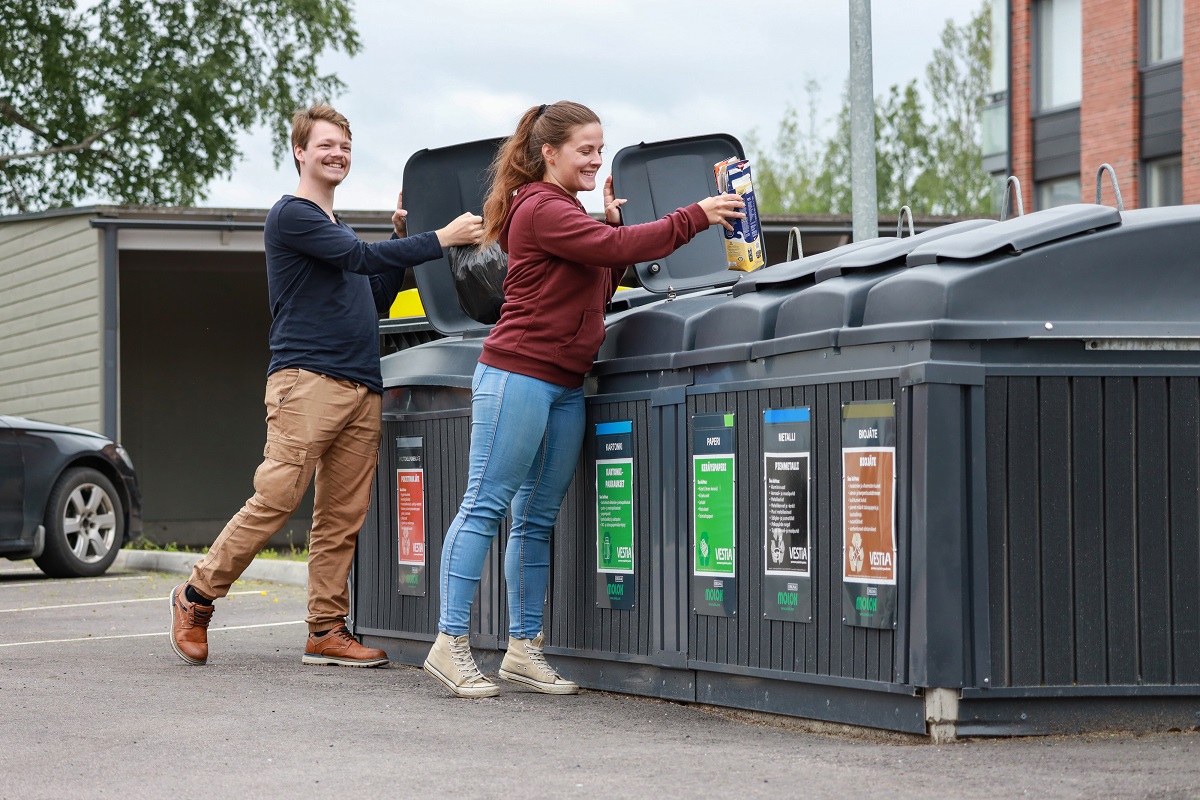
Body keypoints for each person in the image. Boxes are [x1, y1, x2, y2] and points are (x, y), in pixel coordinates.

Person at [423, 101, 745, 698]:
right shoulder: (541, 208)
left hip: (566, 382)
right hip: (518, 375)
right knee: (485, 506)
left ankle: (523, 650)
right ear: (549, 153)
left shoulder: (566, 210)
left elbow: (597, 274)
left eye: (601, 149)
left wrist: (611, 230)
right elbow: (614, 252)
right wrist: (695, 215)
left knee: (536, 518)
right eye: (585, 150)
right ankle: (450, 644)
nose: (597, 159)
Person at [169, 104, 483, 667]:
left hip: (362, 387)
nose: (336, 153)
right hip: (306, 381)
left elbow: (374, 293)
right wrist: (439, 238)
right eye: (325, 145)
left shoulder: (337, 231)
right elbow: (358, 258)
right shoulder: (292, 216)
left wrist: (399, 238)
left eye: (344, 145)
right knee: (277, 498)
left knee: (341, 517)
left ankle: (325, 628)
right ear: (299, 152)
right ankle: (195, 597)